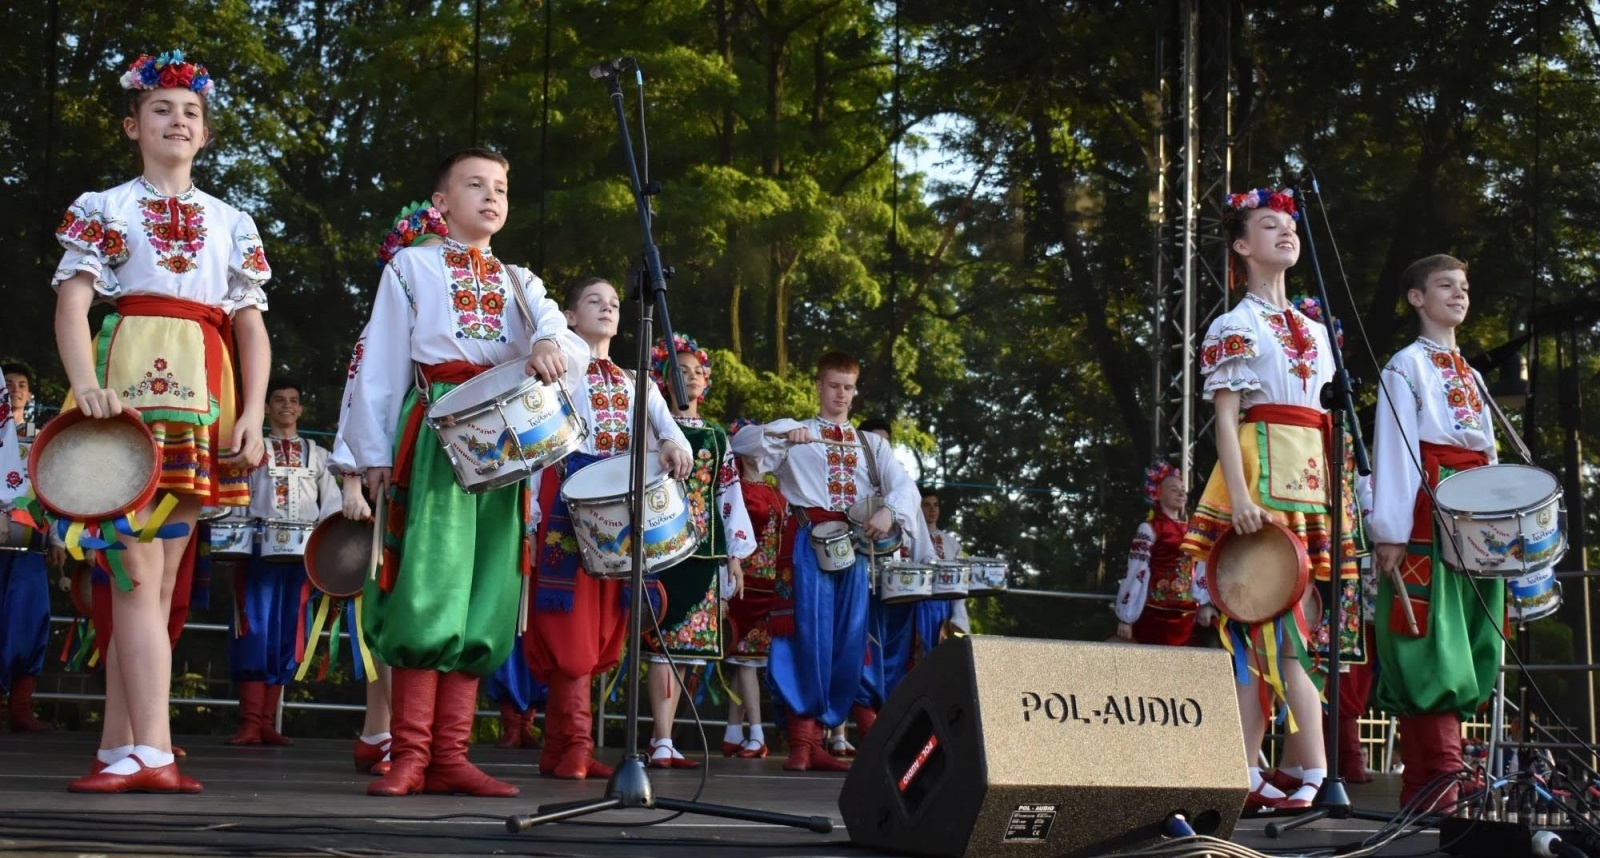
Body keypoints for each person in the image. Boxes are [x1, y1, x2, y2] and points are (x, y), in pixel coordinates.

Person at [52, 51, 271, 793]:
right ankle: (157, 749)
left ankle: (120, 746)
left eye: (191, 113)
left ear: (204, 135)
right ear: (132, 125)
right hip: (127, 395)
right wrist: (84, 388)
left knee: (153, 580)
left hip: (203, 397)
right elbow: (75, 303)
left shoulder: (232, 221)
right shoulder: (104, 206)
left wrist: (255, 417)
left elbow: (251, 325)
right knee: (136, 571)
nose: (178, 120)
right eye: (162, 109)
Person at [334, 148, 581, 798]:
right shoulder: (411, 267)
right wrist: (372, 457)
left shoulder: (519, 281)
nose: (491, 195)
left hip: (507, 444)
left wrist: (551, 342)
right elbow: (381, 363)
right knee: (428, 584)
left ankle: (450, 755)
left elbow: (557, 326)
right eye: (474, 184)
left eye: (500, 186)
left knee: (485, 593)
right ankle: (410, 753)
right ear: (440, 203)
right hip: (438, 436)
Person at [1177, 187, 1361, 813]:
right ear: (1240, 245)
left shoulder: (1316, 328)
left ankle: (1250, 768)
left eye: (1290, 225)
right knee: (1268, 630)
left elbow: (1329, 422)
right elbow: (1226, 420)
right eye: (1268, 225)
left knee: (1288, 631)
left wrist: (1345, 498)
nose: (1286, 232)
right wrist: (1242, 495)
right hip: (1263, 476)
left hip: (1312, 479)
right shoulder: (1234, 323)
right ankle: (1306, 766)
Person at [522, 277, 692, 780]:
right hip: (566, 500)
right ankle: (574, 745)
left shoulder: (637, 380)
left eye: (615, 303)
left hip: (617, 510)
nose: (608, 308)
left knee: (603, 627)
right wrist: (529, 511)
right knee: (570, 622)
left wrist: (672, 447)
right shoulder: (561, 360)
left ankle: (562, 750)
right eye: (594, 301)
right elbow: (536, 433)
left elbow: (671, 428)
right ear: (570, 316)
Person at [729, 352, 929, 772]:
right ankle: (801, 743)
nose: (841, 394)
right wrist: (784, 434)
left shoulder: (872, 445)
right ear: (819, 386)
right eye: (834, 385)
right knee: (802, 637)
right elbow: (742, 444)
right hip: (803, 545)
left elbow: (904, 488)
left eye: (849, 387)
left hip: (853, 549)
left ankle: (817, 741)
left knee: (848, 639)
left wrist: (888, 512)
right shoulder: (796, 432)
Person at [1370, 253, 1500, 810]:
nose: (1459, 294)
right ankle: (1444, 771)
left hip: (1475, 511)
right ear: (1417, 298)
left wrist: (1502, 513)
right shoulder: (1405, 366)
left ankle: (1427, 783)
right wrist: (1392, 530)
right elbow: (1396, 451)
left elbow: (1489, 451)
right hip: (1431, 504)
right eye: (1445, 285)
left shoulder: (1469, 373)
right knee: (1427, 633)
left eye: (1464, 286)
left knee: (1471, 631)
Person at [641, 334, 756, 768]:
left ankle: (660, 739)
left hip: (706, 551)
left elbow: (729, 495)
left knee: (688, 650)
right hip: (662, 549)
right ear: (663, 379)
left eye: (696, 371)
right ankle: (664, 737)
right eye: (680, 370)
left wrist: (735, 557)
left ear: (705, 382)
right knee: (662, 645)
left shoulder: (717, 437)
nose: (689, 377)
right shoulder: (652, 431)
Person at [224, 379, 339, 746]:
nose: (286, 406)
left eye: (293, 401)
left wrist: (331, 551)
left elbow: (332, 504)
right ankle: (249, 721)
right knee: (253, 629)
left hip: (304, 555)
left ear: (301, 409)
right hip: (258, 552)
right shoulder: (252, 449)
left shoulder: (317, 454)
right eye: (278, 400)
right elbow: (237, 497)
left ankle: (267, 722)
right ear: (268, 408)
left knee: (291, 631)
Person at [721, 422, 790, 759]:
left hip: (771, 583)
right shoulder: (736, 488)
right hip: (746, 581)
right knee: (746, 659)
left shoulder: (776, 490)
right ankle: (757, 734)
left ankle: (734, 732)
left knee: (744, 659)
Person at [1, 362, 59, 732]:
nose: (16, 390)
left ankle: (20, 710)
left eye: (23, 384)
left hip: (31, 544)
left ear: (31, 394)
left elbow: (54, 490)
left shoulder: (42, 438)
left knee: (29, 623)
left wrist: (56, 538)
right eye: (9, 384)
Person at [1114, 462, 1201, 646]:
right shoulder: (1150, 528)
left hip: (1187, 614)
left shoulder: (1192, 530)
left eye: (1183, 489)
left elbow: (1199, 569)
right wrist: (1126, 616)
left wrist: (1204, 603)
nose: (1181, 493)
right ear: (1158, 494)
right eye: (1173, 489)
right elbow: (1136, 570)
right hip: (1156, 612)